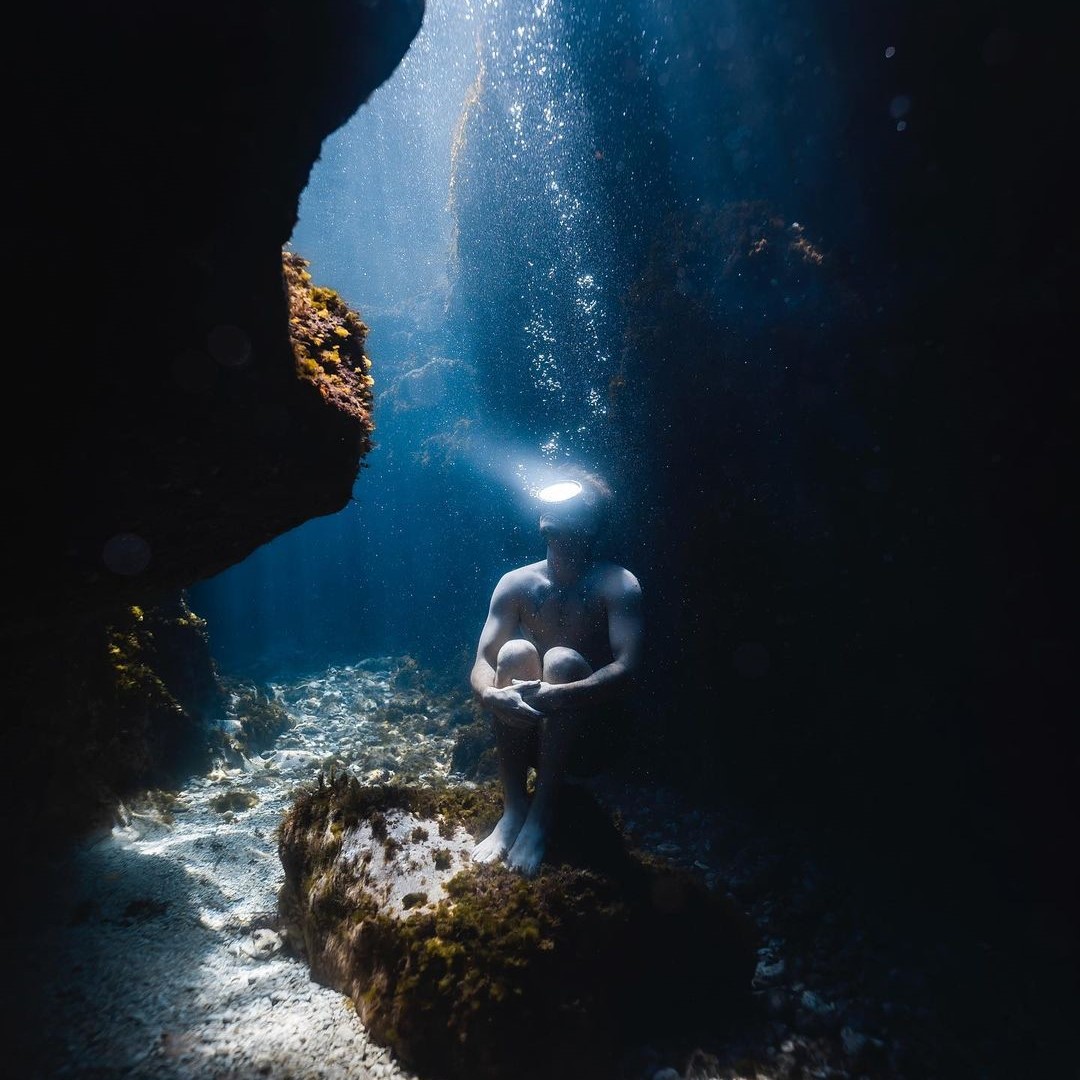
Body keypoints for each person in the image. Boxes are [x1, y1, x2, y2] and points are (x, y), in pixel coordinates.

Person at [469, 470, 644, 876]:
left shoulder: (617, 584)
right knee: (514, 652)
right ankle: (515, 807)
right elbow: (483, 661)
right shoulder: (515, 583)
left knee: (563, 660)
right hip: (533, 731)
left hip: (592, 739)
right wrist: (491, 695)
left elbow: (630, 669)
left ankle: (542, 814)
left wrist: (564, 695)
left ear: (593, 522)